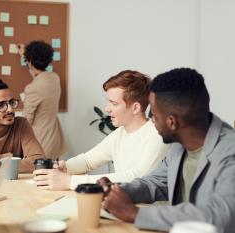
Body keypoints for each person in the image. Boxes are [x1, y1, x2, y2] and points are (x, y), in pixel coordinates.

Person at [99, 68, 235, 233]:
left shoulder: (230, 152)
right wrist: (118, 191)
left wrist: (135, 213)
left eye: (154, 116)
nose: (152, 121)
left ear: (172, 122)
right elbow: (157, 183)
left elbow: (221, 217)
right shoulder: (180, 144)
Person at [33, 70, 169, 190]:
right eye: (108, 102)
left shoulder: (157, 135)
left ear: (135, 108)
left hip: (144, 213)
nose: (107, 109)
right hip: (120, 207)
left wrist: (71, 181)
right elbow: (88, 161)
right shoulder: (120, 134)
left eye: (114, 103)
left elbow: (136, 178)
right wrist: (65, 167)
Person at [18, 40, 66, 159]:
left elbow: (26, 120)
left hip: (40, 142)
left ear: (30, 62)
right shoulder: (54, 78)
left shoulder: (32, 88)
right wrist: (26, 56)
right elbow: (38, 76)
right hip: (54, 140)